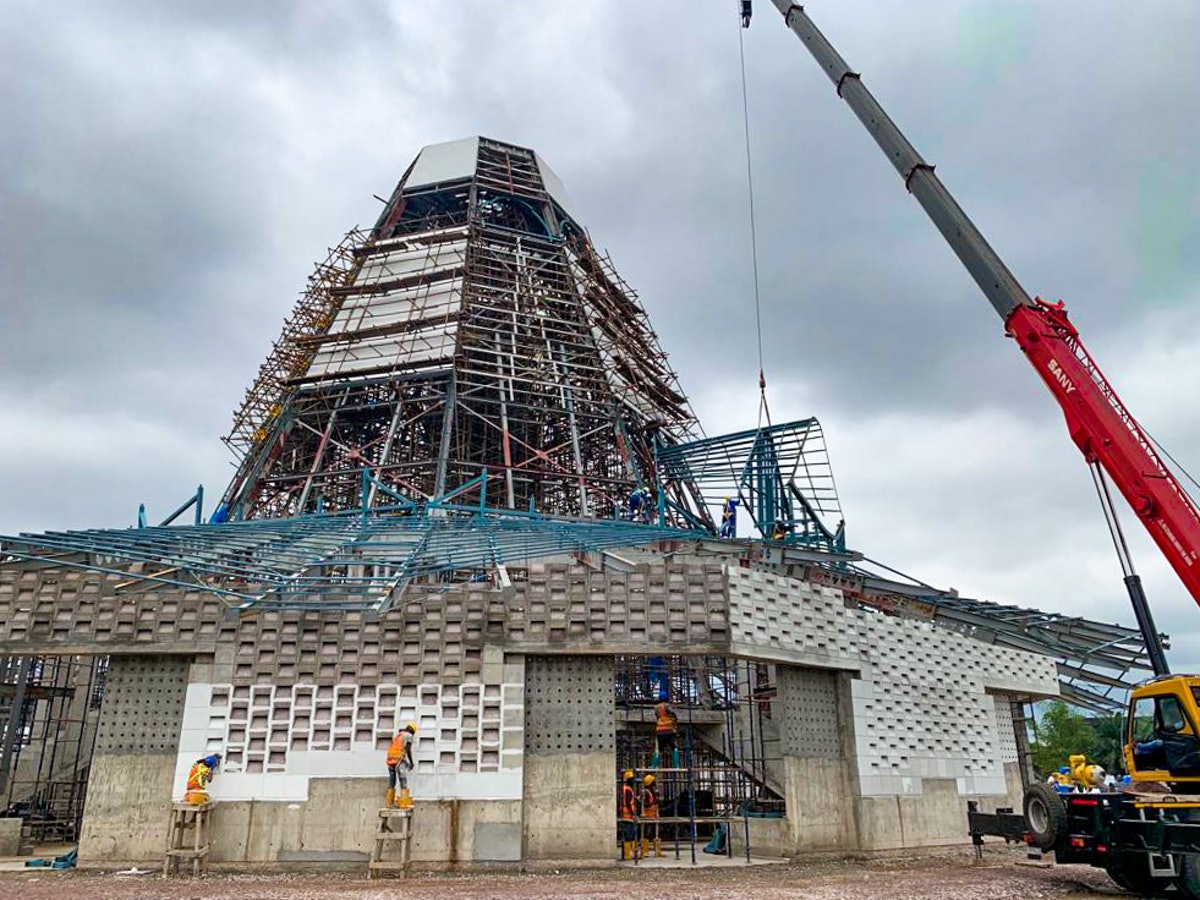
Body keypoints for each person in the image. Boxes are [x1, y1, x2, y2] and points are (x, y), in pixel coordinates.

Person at [386, 722, 417, 809]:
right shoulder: (409, 736)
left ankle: (389, 804)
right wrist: (411, 763)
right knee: (403, 780)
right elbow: (408, 749)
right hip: (399, 759)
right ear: (412, 731)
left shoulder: (398, 735)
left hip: (390, 759)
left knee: (392, 782)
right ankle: (403, 804)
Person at [640, 773, 662, 858]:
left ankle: (657, 851)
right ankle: (645, 851)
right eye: (653, 781)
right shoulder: (646, 792)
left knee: (655, 833)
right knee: (646, 834)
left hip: (654, 816)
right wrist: (653, 802)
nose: (655, 782)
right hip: (648, 816)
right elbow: (645, 804)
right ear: (650, 783)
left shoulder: (653, 791)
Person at [618, 769, 638, 860]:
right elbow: (628, 803)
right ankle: (630, 853)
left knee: (627, 835)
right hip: (628, 816)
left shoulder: (624, 788)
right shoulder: (628, 790)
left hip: (625, 815)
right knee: (631, 835)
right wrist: (633, 814)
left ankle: (628, 854)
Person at [653, 700, 679, 769]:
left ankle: (655, 766)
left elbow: (657, 716)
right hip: (669, 731)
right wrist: (675, 719)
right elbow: (672, 713)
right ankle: (676, 766)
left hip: (659, 731)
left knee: (658, 749)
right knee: (674, 748)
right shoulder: (667, 706)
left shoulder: (656, 707)